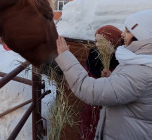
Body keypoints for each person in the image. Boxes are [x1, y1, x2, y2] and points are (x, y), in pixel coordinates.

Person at [55, 9, 152, 140]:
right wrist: (112, 79)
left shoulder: (141, 71)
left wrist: (65, 56)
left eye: (128, 31)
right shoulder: (138, 62)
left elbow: (90, 90)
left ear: (143, 35)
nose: (122, 34)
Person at [80, 25, 123, 140]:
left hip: (109, 115)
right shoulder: (93, 57)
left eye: (102, 41)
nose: (97, 45)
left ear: (113, 43)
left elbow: (122, 89)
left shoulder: (121, 63)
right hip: (90, 110)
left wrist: (111, 77)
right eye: (96, 41)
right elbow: (85, 79)